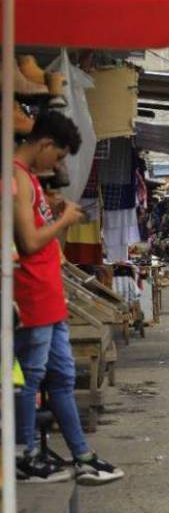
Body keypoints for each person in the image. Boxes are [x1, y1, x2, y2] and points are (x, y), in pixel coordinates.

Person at [13, 111, 124, 485]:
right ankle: (24, 455)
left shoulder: (29, 180)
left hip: (50, 294)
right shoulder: (15, 177)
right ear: (45, 144)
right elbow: (28, 242)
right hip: (31, 296)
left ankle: (82, 455)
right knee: (30, 379)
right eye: (58, 156)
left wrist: (54, 210)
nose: (58, 164)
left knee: (61, 377)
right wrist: (63, 222)